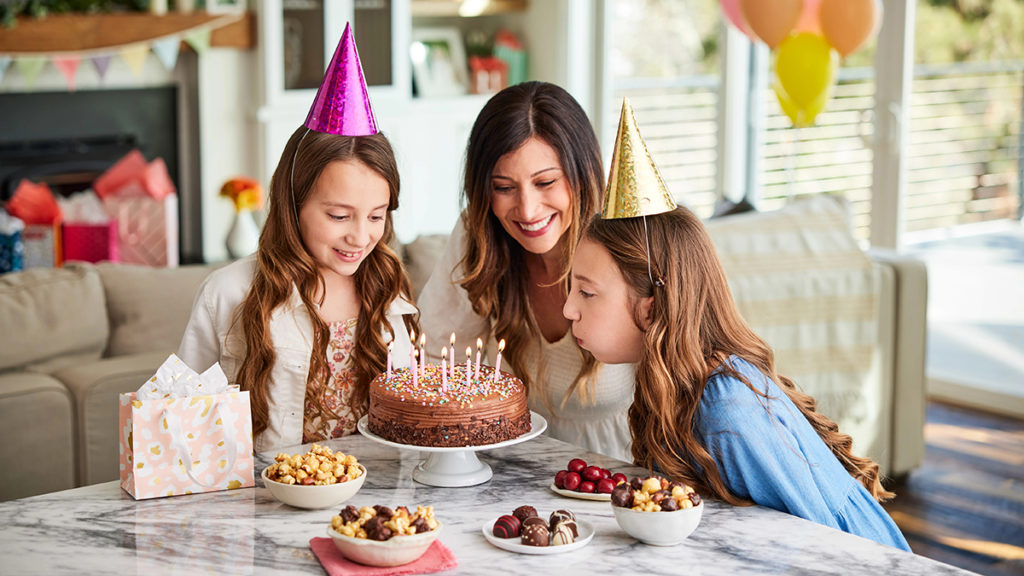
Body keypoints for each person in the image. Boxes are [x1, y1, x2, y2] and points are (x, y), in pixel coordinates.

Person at [561, 99, 910, 551]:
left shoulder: (725, 409)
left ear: (651, 308)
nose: (568, 309)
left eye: (586, 292)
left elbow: (824, 545)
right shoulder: (669, 380)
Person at [178, 24, 418, 453]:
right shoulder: (229, 293)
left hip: (375, 501)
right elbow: (181, 419)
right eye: (339, 215)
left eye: (377, 216)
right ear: (293, 203)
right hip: (267, 503)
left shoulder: (386, 285)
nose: (360, 236)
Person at [416, 81, 635, 461]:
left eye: (545, 182)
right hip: (509, 478)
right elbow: (437, 359)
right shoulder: (478, 233)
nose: (528, 210)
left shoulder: (631, 243)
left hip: (619, 480)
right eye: (504, 187)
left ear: (583, 172)